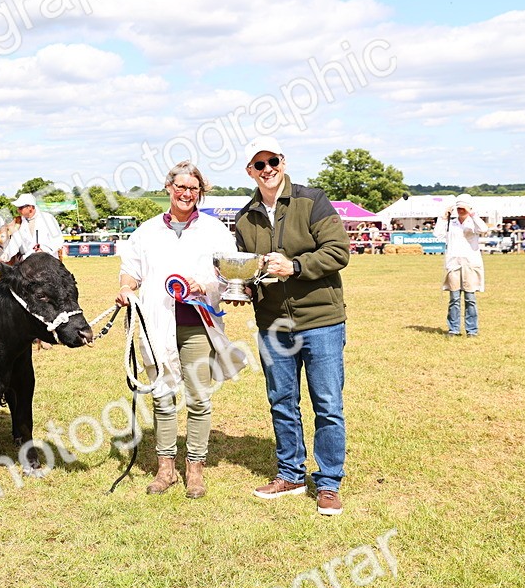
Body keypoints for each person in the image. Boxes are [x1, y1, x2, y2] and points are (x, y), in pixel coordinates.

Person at [232, 136, 350, 517]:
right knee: (282, 402)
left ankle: (328, 482)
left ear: (283, 162)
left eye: (273, 161)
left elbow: (338, 252)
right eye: (259, 165)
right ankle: (290, 473)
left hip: (321, 320)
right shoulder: (244, 217)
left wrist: (295, 266)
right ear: (249, 171)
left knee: (328, 404)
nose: (268, 170)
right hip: (272, 324)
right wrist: (243, 288)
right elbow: (246, 268)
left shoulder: (312, 200)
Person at [115, 161, 238, 498]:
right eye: (181, 187)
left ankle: (195, 470)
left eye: (193, 189)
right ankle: (165, 469)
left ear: (201, 192)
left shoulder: (215, 230)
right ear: (168, 188)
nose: (187, 194)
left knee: (198, 397)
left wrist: (206, 283)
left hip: (198, 324)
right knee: (162, 396)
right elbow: (131, 271)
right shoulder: (146, 231)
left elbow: (229, 273)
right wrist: (126, 288)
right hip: (156, 324)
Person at [433, 193, 490, 338]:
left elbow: (484, 229)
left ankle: (472, 330)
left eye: (463, 208)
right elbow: (437, 234)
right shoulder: (450, 223)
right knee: (454, 298)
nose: (460, 210)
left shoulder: (473, 222)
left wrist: (472, 213)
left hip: (470, 263)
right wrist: (443, 217)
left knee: (470, 298)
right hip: (453, 264)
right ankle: (454, 329)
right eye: (458, 208)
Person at [2, 193, 64, 260]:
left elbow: (58, 240)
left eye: (20, 208)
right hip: (29, 263)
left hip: (49, 261)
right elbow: (15, 241)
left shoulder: (48, 218)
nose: (18, 210)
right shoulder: (20, 222)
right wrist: (6, 254)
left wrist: (44, 249)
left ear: (30, 207)